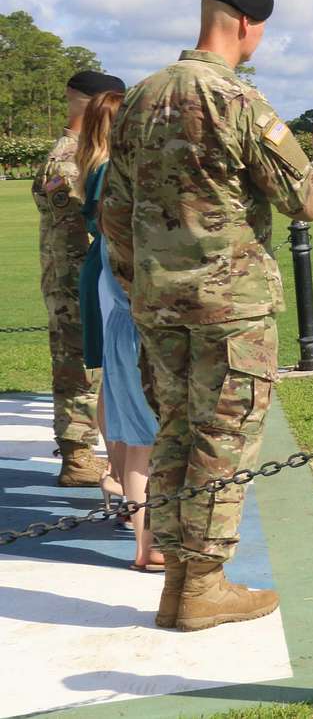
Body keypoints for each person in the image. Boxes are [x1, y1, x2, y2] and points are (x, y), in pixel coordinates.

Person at [102, 0, 313, 632]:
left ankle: (181, 580)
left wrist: (142, 284)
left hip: (159, 307)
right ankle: (203, 584)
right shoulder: (241, 101)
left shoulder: (140, 99)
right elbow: (308, 200)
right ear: (245, 25)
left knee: (177, 436)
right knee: (222, 441)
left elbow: (114, 212)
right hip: (230, 310)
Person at [75, 81, 166, 572]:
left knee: (134, 437)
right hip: (135, 321)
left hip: (117, 318)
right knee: (147, 437)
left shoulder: (100, 174)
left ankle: (143, 540)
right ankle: (149, 543)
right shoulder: (120, 186)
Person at [33, 70, 119, 486]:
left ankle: (84, 451)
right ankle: (77, 456)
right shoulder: (72, 156)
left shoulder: (78, 150)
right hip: (75, 277)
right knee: (78, 368)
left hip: (75, 274)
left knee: (88, 365)